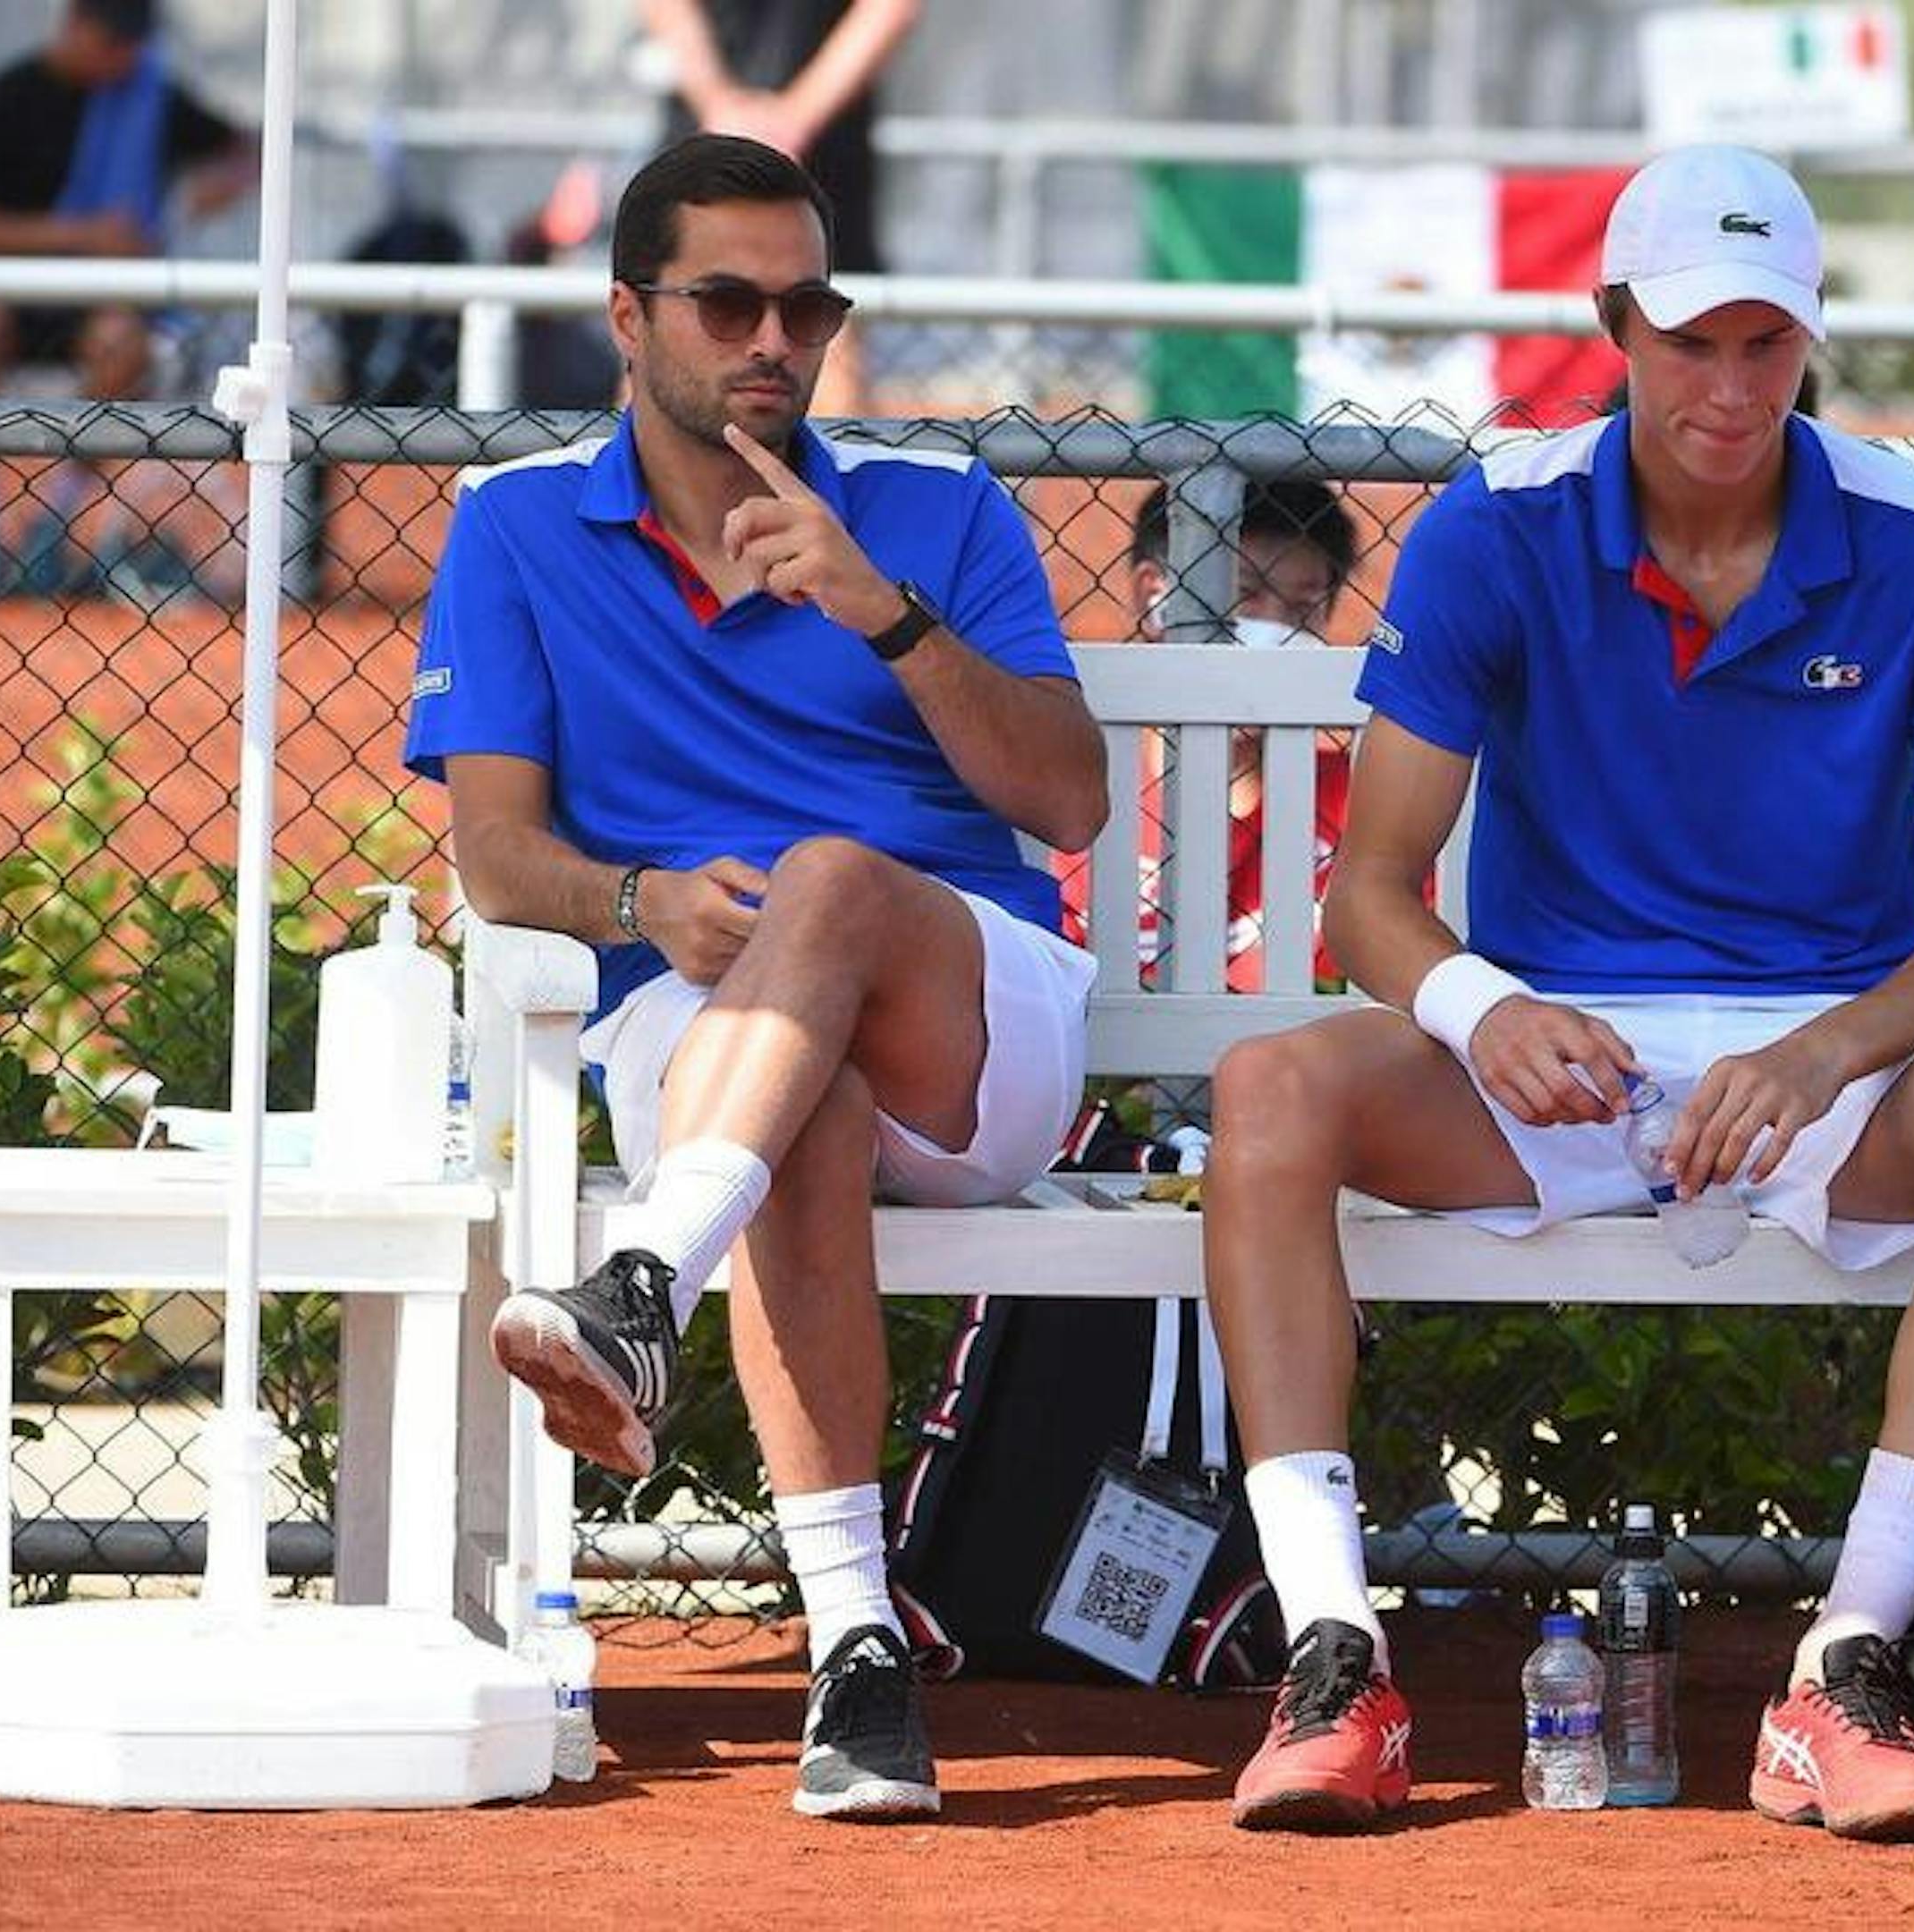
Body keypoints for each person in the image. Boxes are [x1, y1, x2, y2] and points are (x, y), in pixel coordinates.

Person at [1201, 145, 1914, 1840]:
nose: (1730, 386)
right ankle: (1336, 1654)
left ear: (1811, 342)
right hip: (1556, 1066)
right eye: (1692, 340)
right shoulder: (1499, 522)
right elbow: (1369, 896)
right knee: (1270, 1091)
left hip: (1826, 1075)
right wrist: (1486, 1010)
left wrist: (1823, 1049)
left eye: (1767, 343)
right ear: (1613, 322)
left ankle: (1845, 1665)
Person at [402, 134, 1107, 1823]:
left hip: (975, 1020)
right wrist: (636, 892)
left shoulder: (938, 510)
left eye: (807, 303)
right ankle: (858, 1650)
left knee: (842, 879)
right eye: (729, 302)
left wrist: (888, 619)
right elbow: (497, 853)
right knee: (811, 1110)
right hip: (707, 1027)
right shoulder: (513, 528)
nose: (775, 339)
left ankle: (637, 1282)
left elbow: (1068, 798)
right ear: (629, 317)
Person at [0, 0, 255, 603]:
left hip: (108, 299)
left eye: (132, 46)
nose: (123, 59)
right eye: (113, 43)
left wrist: (217, 184)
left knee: (122, 342)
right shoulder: (8, 98)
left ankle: (51, 523)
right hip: (14, 291)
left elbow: (242, 145)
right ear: (76, 26)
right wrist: (82, 235)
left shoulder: (149, 96)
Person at [1058, 479, 1360, 988]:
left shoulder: (1356, 801)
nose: (1276, 628)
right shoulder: (1075, 788)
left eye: (1305, 606)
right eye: (1244, 596)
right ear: (1157, 596)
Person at [638, 0, 921, 419]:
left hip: (819, 162)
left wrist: (788, 119)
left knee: (825, 365)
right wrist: (724, 106)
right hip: (712, 146)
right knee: (660, 364)